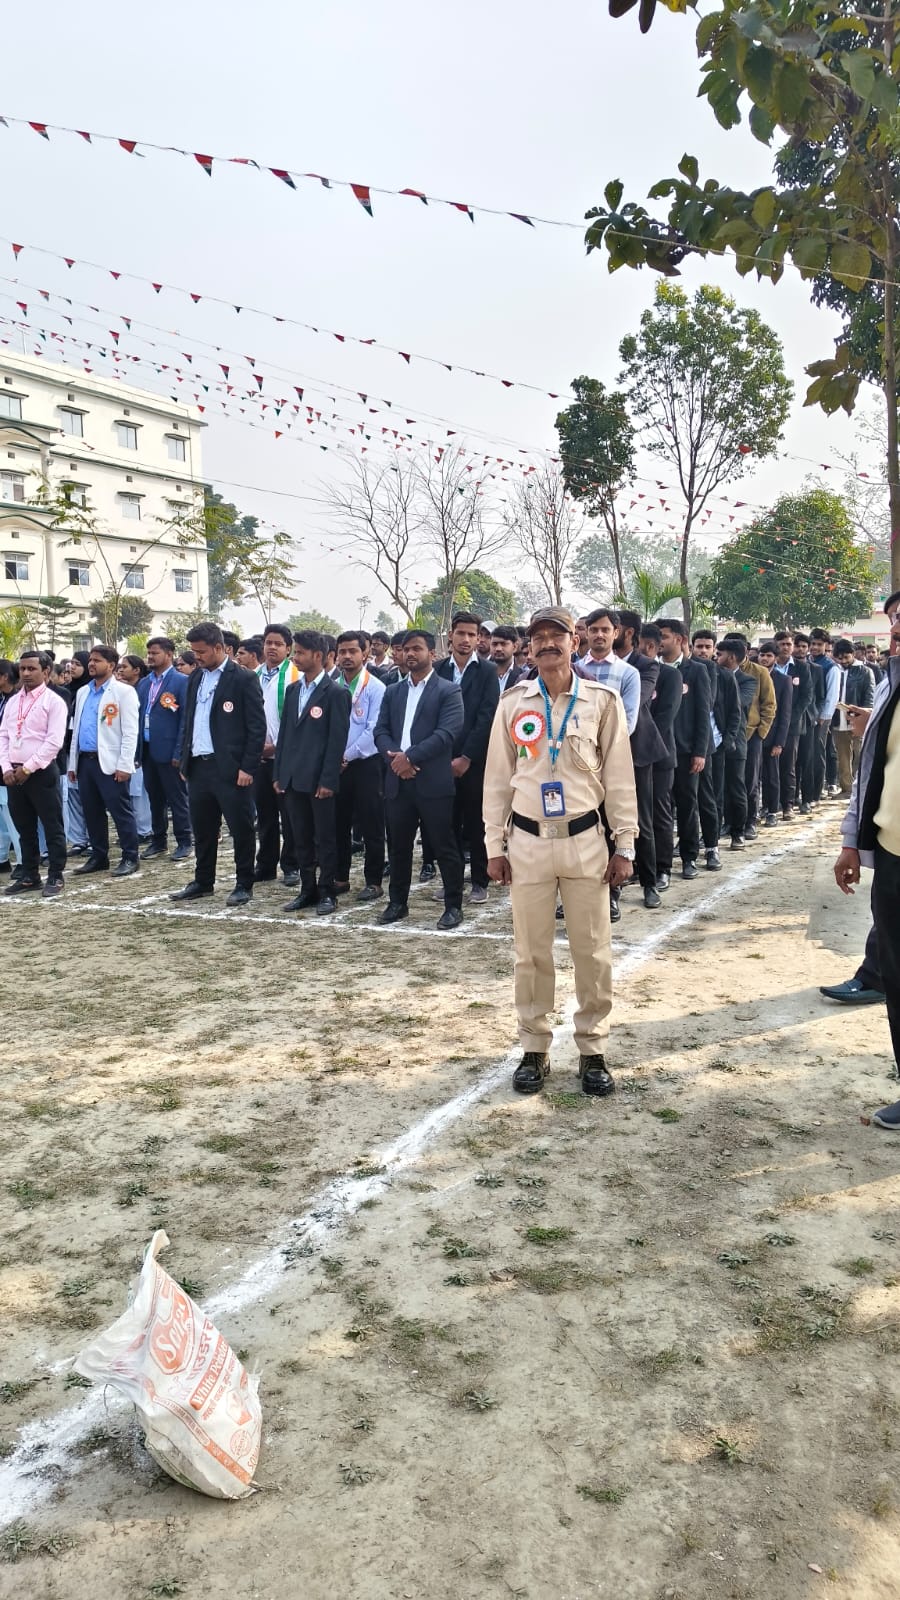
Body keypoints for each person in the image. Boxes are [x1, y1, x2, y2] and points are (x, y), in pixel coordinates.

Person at [484, 608, 637, 1096]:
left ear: (575, 640)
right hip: (527, 843)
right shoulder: (512, 703)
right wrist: (494, 844)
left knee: (592, 951)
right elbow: (497, 780)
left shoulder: (602, 701)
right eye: (539, 637)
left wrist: (625, 844)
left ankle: (593, 1049)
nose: (547, 643)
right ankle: (535, 1047)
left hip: (585, 842)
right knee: (530, 953)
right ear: (528, 647)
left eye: (557, 635)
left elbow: (619, 778)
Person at [834, 590, 900, 1128]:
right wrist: (851, 840)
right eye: (895, 620)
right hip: (894, 854)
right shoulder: (889, 685)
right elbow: (870, 773)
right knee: (896, 977)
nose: (897, 629)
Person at [373, 629, 465, 929]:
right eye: (405, 649)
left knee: (444, 846)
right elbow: (380, 731)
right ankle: (397, 903)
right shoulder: (393, 691)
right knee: (399, 847)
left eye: (417, 648)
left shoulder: (448, 691)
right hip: (398, 781)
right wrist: (396, 759)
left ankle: (453, 906)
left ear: (432, 654)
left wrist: (409, 758)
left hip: (432, 782)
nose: (410, 654)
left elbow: (447, 733)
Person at [170, 622, 266, 907]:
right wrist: (185, 761)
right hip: (198, 766)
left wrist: (248, 767)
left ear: (220, 648)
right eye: (193, 651)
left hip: (231, 768)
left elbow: (256, 727)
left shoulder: (243, 678)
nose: (196, 657)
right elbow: (189, 721)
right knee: (203, 829)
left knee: (241, 829)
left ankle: (244, 883)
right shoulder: (195, 678)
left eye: (201, 652)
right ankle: (203, 881)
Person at [274, 629, 350, 916]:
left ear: (318, 655)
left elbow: (336, 740)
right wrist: (279, 773)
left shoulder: (336, 693)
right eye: (294, 652)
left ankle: (327, 891)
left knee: (325, 838)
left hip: (319, 780)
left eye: (300, 652)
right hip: (293, 778)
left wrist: (328, 779)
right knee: (300, 837)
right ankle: (308, 889)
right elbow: (285, 735)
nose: (295, 657)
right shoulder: (293, 690)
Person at [435, 612, 501, 905]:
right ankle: (451, 881)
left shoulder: (487, 671)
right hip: (441, 760)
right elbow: (432, 713)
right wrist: (442, 755)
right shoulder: (438, 669)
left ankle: (479, 881)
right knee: (446, 824)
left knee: (476, 823)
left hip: (474, 762)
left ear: (479, 638)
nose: (466, 639)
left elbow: (487, 717)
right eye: (461, 633)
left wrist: (466, 757)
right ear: (450, 635)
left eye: (472, 635)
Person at [68, 646, 141, 878]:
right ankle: (99, 856)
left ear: (110, 665)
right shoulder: (83, 692)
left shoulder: (124, 692)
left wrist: (125, 764)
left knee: (120, 811)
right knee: (92, 811)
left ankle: (130, 856)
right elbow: (77, 729)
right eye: (90, 660)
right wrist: (73, 764)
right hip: (86, 761)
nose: (91, 664)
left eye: (97, 660)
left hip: (110, 761)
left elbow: (130, 731)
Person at [0, 650, 68, 897]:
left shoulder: (53, 702)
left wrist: (29, 767)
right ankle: (30, 875)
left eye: (32, 669)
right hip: (14, 773)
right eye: (23, 669)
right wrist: (6, 767)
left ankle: (56, 874)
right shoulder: (13, 702)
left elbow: (54, 742)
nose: (26, 673)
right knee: (24, 827)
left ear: (46, 671)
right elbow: (3, 736)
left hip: (40, 772)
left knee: (51, 825)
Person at [614, 610, 669, 907]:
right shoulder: (589, 665)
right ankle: (611, 888)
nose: (605, 634)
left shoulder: (646, 666)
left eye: (613, 628)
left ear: (628, 633)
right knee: (604, 821)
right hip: (597, 753)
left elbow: (634, 701)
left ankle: (649, 883)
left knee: (640, 819)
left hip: (636, 752)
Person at [333, 630, 386, 902]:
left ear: (365, 653)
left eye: (353, 651)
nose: (347, 656)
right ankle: (340, 877)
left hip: (366, 764)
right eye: (342, 651)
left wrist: (347, 756)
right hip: (336, 766)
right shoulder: (332, 686)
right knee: (338, 823)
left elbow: (374, 729)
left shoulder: (376, 687)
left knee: (371, 823)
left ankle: (373, 881)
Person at [657, 618, 711, 879]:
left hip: (686, 750)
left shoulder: (696, 670)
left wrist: (700, 751)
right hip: (658, 750)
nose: (659, 641)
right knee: (661, 809)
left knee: (688, 804)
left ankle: (689, 857)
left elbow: (703, 713)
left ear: (679, 639)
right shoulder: (652, 668)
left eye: (664, 636)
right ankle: (662, 864)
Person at [137, 636, 193, 861]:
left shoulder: (181, 681)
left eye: (155, 653)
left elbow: (185, 720)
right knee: (155, 798)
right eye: (149, 653)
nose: (150, 657)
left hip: (170, 751)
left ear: (169, 654)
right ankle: (158, 840)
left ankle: (184, 841)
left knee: (177, 798)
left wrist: (179, 751)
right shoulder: (144, 683)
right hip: (148, 749)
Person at [254, 624, 300, 885]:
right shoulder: (253, 675)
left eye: (278, 644)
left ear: (288, 648)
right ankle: (266, 865)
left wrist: (277, 746)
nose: (272, 647)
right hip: (259, 759)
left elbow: (298, 722)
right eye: (268, 643)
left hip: (287, 757)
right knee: (265, 815)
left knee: (290, 815)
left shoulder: (295, 676)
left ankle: (291, 864)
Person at [640, 623, 680, 892]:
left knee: (659, 812)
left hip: (660, 754)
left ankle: (663, 868)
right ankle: (641, 865)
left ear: (652, 646)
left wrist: (639, 739)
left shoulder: (670, 675)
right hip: (633, 757)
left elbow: (665, 717)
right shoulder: (633, 673)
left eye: (641, 645)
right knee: (637, 815)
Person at [577, 607, 640, 734]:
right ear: (587, 633)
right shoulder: (574, 670)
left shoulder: (629, 674)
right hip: (578, 742)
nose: (599, 635)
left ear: (615, 633)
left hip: (613, 743)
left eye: (605, 630)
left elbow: (628, 722)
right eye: (594, 630)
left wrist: (605, 742)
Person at [712, 638, 749, 847]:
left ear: (732, 657)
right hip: (715, 743)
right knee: (715, 791)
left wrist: (728, 740)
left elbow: (737, 708)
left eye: (720, 654)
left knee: (736, 788)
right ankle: (714, 833)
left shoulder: (747, 680)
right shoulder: (712, 674)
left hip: (735, 742)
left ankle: (738, 832)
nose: (716, 657)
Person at [831, 638, 875, 796]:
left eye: (846, 657)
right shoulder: (834, 670)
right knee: (842, 756)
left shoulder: (865, 671)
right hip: (838, 719)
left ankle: (861, 788)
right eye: (840, 658)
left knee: (860, 754)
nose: (843, 661)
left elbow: (869, 697)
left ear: (853, 654)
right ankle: (847, 788)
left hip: (858, 719)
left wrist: (863, 715)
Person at [756, 641, 793, 826]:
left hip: (772, 736)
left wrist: (779, 742)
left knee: (771, 776)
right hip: (753, 735)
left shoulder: (783, 680)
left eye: (769, 656)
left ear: (776, 658)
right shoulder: (752, 676)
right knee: (754, 776)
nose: (765, 658)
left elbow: (785, 714)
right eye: (762, 655)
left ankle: (772, 811)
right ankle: (757, 809)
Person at [0, 660, 22, 875]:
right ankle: (2, 858)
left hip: (10, 765)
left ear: (4, 677)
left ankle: (24, 860)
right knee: (1, 818)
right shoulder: (2, 699)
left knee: (13, 815)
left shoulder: (16, 701)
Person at [490, 625, 528, 691]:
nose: (498, 649)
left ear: (515, 647)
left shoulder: (524, 677)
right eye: (494, 644)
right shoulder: (482, 674)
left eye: (503, 644)